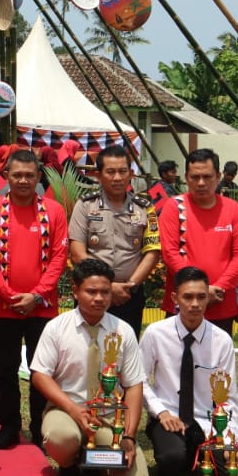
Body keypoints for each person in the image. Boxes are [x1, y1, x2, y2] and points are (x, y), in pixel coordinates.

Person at [31, 259, 149, 476]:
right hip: (67, 411)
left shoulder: (123, 331)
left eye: (105, 292)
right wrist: (74, 410)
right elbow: (40, 376)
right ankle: (69, 466)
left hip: (108, 417)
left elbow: (134, 385)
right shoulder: (56, 328)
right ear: (75, 291)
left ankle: (98, 462)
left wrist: (128, 436)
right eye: (91, 291)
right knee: (60, 438)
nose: (99, 298)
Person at [140, 266, 238, 476]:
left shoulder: (222, 340)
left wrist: (228, 437)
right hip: (168, 419)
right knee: (171, 462)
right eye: (188, 297)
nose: (195, 304)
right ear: (175, 298)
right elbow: (139, 381)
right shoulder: (155, 333)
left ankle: (197, 456)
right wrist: (161, 412)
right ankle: (182, 458)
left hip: (208, 423)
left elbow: (229, 396)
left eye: (201, 297)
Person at [0, 148, 69, 450]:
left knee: (41, 370)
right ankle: (8, 427)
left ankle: (39, 426)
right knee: (5, 371)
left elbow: (60, 257)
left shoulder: (54, 211)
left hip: (43, 309)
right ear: (6, 175)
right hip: (1, 308)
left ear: (38, 177)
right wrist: (8, 296)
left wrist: (36, 295)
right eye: (16, 175)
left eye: (29, 175)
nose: (22, 181)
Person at [68, 144, 160, 336]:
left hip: (129, 295)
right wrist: (107, 287)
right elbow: (77, 252)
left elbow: (152, 252)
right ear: (98, 175)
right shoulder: (85, 206)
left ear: (131, 174)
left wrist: (128, 286)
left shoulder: (145, 208)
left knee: (125, 350)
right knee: (87, 348)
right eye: (110, 172)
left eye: (122, 171)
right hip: (93, 293)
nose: (117, 177)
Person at [158, 149, 238, 335]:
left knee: (216, 362)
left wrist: (218, 288)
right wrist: (199, 291)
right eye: (195, 177)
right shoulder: (174, 207)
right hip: (182, 304)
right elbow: (169, 253)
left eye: (207, 177)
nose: (201, 183)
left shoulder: (233, 209)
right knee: (174, 361)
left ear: (218, 176)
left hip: (220, 302)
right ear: (186, 177)